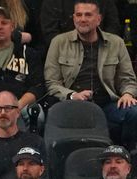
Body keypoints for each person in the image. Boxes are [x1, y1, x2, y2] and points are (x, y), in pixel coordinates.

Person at [44, 0, 137, 150]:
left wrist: (127, 94)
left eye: (88, 15)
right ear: (73, 18)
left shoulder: (116, 42)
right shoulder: (59, 42)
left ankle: (126, 155)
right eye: (79, 15)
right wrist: (73, 95)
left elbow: (128, 78)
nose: (82, 19)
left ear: (99, 19)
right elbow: (51, 82)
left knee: (133, 112)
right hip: (71, 105)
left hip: (106, 104)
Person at [41, 0, 120, 46]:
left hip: (100, 51)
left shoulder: (105, 2)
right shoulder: (53, 2)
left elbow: (113, 27)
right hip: (65, 55)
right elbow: (50, 33)